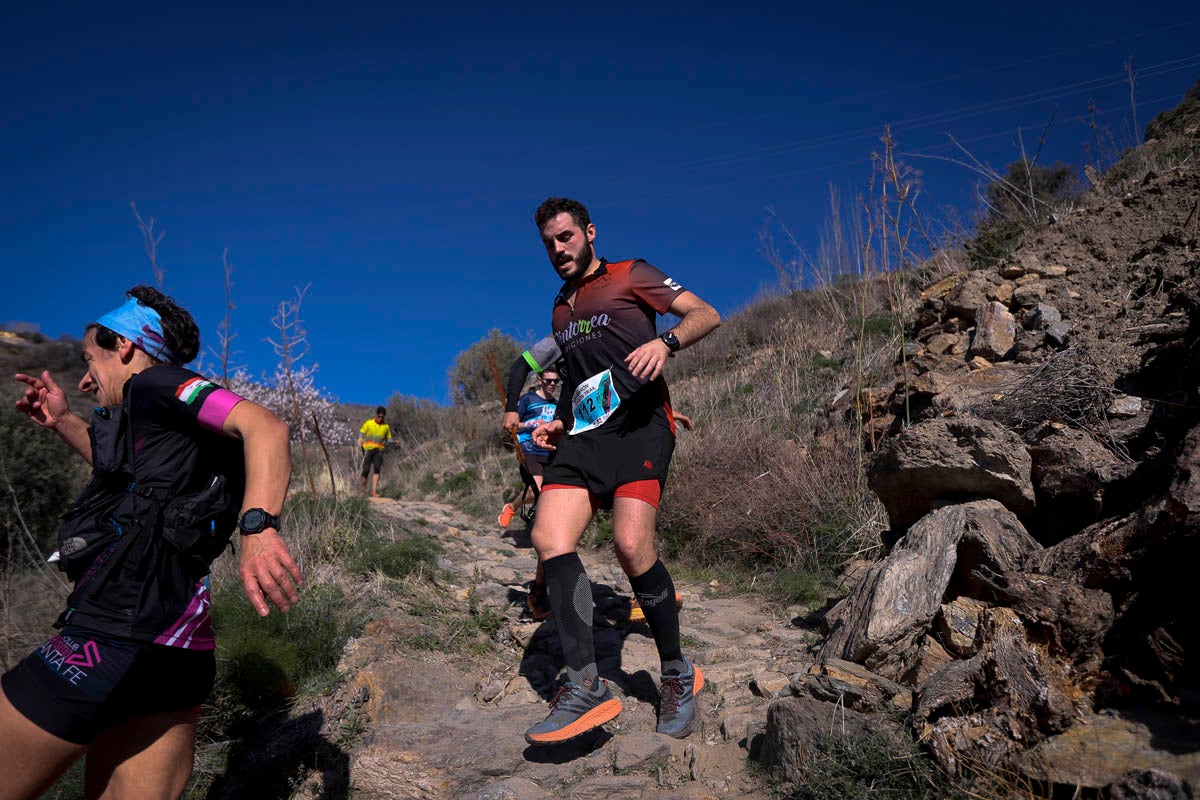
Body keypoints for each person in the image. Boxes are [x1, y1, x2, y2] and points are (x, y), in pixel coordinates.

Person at [0, 286, 302, 800]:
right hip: (178, 649)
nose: (86, 379)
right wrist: (64, 422)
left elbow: (266, 426)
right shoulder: (162, 418)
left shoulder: (157, 383)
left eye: (91, 360)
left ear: (124, 346)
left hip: (111, 631)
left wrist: (258, 528)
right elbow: (138, 487)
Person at [522, 198, 720, 746]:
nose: (558, 249)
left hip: (641, 429)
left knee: (632, 548)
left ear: (588, 233)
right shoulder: (560, 310)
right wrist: (559, 424)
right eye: (548, 243)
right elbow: (581, 383)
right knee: (548, 538)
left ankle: (677, 672)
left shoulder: (631, 275)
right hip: (584, 439)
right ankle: (585, 685)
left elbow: (706, 313)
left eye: (565, 237)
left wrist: (666, 342)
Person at [497, 369, 560, 528]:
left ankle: (512, 507)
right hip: (528, 448)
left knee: (546, 492)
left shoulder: (557, 405)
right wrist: (530, 424)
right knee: (539, 490)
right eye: (548, 380)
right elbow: (511, 424)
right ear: (540, 380)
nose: (552, 384)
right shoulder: (527, 399)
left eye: (555, 381)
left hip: (550, 451)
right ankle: (535, 525)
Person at [358, 406, 392, 497]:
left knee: (377, 468)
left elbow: (388, 439)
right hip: (368, 449)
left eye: (382, 417)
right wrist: (360, 439)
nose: (380, 418)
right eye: (379, 416)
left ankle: (374, 491)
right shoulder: (369, 423)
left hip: (379, 450)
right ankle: (363, 492)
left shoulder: (386, 427)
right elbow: (361, 432)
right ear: (376, 415)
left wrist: (393, 442)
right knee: (366, 470)